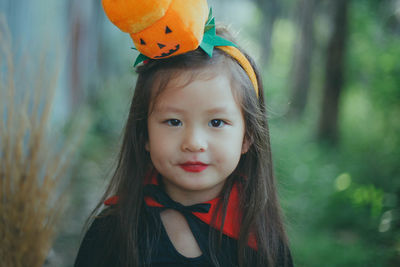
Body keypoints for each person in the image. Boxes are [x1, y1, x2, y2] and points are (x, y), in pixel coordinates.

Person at [74, 1, 293, 266]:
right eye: (174, 121)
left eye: (216, 123)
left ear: (247, 137)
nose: (194, 143)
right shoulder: (109, 235)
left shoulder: (263, 244)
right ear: (144, 133)